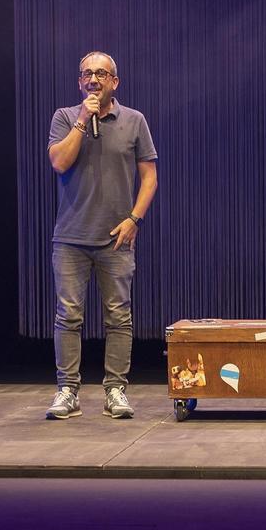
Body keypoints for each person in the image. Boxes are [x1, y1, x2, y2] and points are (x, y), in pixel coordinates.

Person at [45, 51, 158, 420]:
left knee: (118, 316)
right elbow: (59, 162)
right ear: (79, 82)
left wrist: (134, 219)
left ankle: (115, 390)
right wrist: (82, 119)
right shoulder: (65, 117)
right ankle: (68, 390)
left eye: (101, 74)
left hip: (116, 237)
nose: (94, 80)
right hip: (71, 237)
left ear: (115, 82)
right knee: (69, 315)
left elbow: (150, 177)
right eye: (87, 74)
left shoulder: (134, 120)